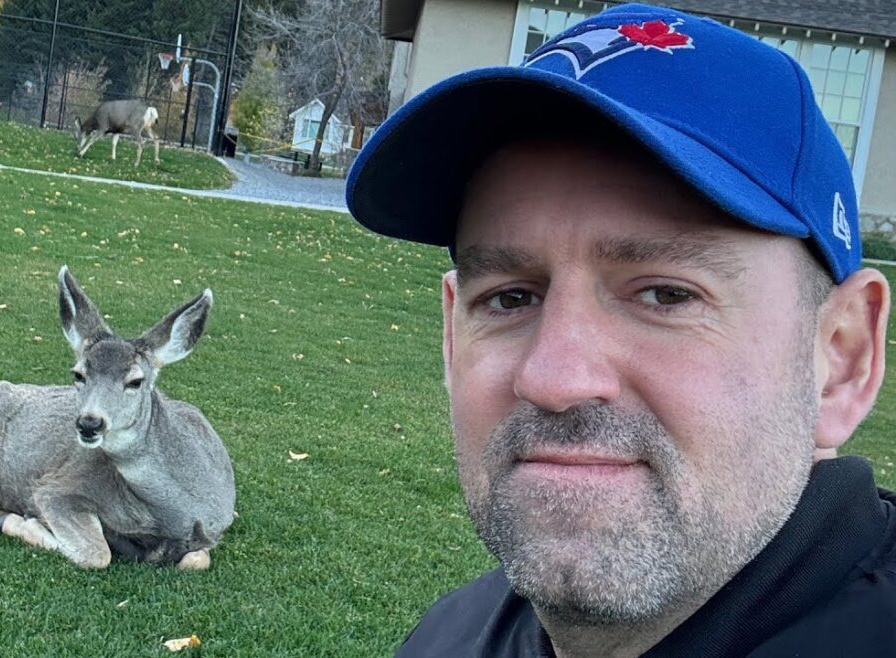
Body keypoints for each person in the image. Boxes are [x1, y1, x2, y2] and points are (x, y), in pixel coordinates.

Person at [346, 3, 896, 656]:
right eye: (510, 297)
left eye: (666, 295)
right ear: (449, 339)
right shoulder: (449, 637)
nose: (554, 378)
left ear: (841, 358)